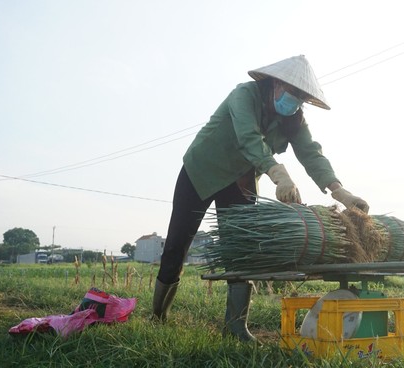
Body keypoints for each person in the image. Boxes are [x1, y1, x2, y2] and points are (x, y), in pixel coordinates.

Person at [152, 55, 369, 342]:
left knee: (242, 250)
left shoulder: (293, 119)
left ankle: (236, 327)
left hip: (240, 180)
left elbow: (311, 153)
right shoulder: (245, 95)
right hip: (201, 171)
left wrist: (339, 190)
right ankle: (158, 315)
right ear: (276, 84)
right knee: (177, 244)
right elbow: (248, 137)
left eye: (300, 99)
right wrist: (277, 173)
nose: (294, 103)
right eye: (292, 94)